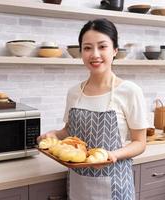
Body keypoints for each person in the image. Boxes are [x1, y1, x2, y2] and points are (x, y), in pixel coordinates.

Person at [37, 18, 149, 200]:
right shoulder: (74, 92)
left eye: (102, 46)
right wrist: (54, 135)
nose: (94, 54)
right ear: (81, 52)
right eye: (87, 48)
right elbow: (69, 131)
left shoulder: (130, 91)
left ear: (114, 50)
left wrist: (112, 155)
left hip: (116, 186)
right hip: (78, 185)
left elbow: (140, 143)